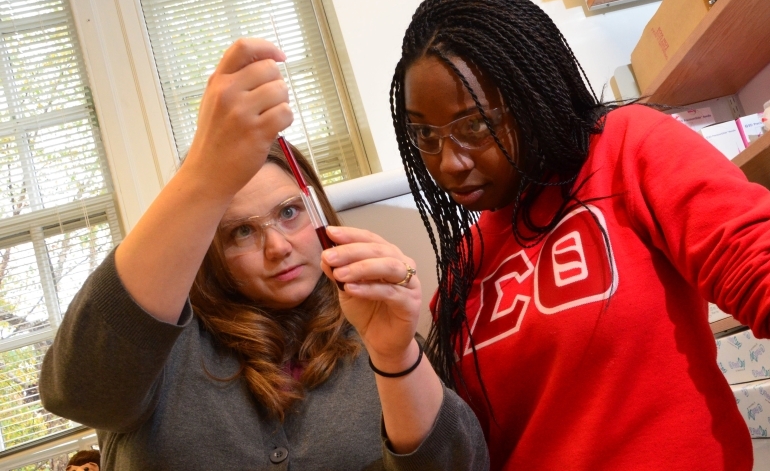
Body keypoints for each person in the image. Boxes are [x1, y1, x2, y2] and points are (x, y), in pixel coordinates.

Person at [343, 0, 770, 471]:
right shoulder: (462, 268)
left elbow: (766, 270)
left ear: (530, 95)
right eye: (424, 134)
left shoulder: (623, 149)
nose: (448, 162)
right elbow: (468, 453)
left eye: (473, 125)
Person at [39, 39, 488, 470]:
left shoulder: (375, 331)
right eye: (241, 233)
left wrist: (395, 358)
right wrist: (206, 172)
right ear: (210, 251)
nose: (278, 247)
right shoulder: (163, 351)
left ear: (318, 211)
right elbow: (79, 391)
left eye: (290, 212)